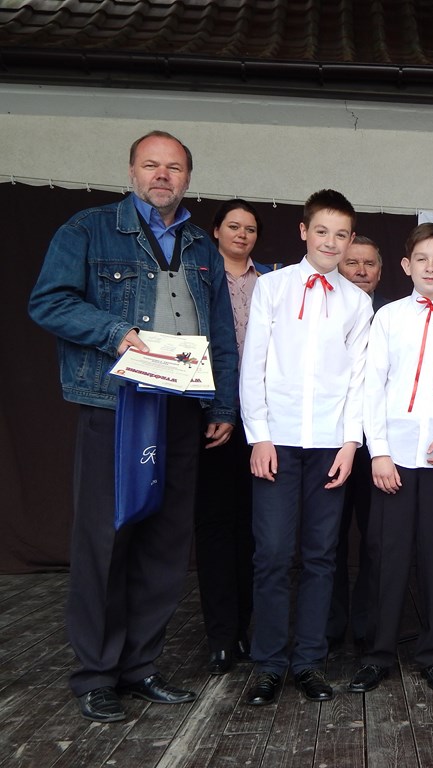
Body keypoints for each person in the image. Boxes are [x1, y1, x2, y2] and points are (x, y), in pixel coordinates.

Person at [28, 130, 238, 723]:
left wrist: (222, 407)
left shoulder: (201, 244)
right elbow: (49, 301)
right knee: (106, 539)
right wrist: (114, 331)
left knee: (166, 542)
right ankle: (97, 674)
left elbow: (221, 332)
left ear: (188, 178)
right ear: (132, 171)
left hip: (182, 406)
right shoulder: (88, 229)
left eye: (174, 167)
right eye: (151, 165)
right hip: (116, 406)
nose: (162, 175)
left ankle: (141, 666)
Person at [240, 189, 372, 706]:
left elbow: (358, 380)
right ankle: (270, 664)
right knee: (273, 553)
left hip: (329, 445)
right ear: (304, 232)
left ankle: (310, 661)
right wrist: (259, 435)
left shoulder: (357, 302)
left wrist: (350, 443)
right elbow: (254, 364)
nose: (331, 243)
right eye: (322, 232)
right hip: (277, 441)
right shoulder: (271, 287)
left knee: (321, 555)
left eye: (341, 235)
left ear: (350, 239)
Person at [348, 223, 433, 694]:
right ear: (406, 266)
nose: (430, 267)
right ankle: (378, 653)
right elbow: (373, 386)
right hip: (396, 458)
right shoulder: (388, 318)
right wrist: (379, 452)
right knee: (388, 554)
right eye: (421, 259)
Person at [194, 199, 281, 676]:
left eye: (250, 228)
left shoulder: (271, 281)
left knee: (255, 528)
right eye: (233, 226)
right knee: (215, 526)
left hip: (263, 420)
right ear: (216, 231)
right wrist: (219, 406)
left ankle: (248, 627)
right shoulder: (200, 278)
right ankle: (221, 635)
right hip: (214, 413)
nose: (242, 234)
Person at [328, 235, 385, 653]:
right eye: (353, 263)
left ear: (381, 272)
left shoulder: (393, 318)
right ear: (338, 267)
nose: (361, 271)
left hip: (379, 450)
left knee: (376, 539)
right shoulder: (324, 313)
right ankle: (329, 628)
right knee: (327, 539)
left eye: (369, 264)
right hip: (330, 441)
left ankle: (368, 627)